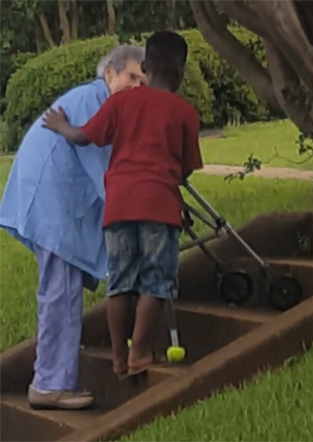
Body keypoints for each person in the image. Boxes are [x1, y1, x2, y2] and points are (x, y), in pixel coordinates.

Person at [42, 31, 203, 380]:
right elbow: (187, 167)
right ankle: (140, 352)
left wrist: (60, 126)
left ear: (144, 67)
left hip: (118, 207)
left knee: (121, 282)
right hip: (159, 207)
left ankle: (118, 356)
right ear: (180, 71)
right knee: (155, 282)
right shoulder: (185, 113)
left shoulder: (120, 102)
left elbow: (86, 136)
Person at [0, 45, 145, 410]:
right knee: (60, 294)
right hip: (53, 206)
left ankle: (52, 379)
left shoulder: (96, 101)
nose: (137, 87)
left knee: (61, 291)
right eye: (131, 77)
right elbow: (105, 173)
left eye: (143, 81)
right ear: (109, 74)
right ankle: (50, 384)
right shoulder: (92, 101)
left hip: (57, 206)